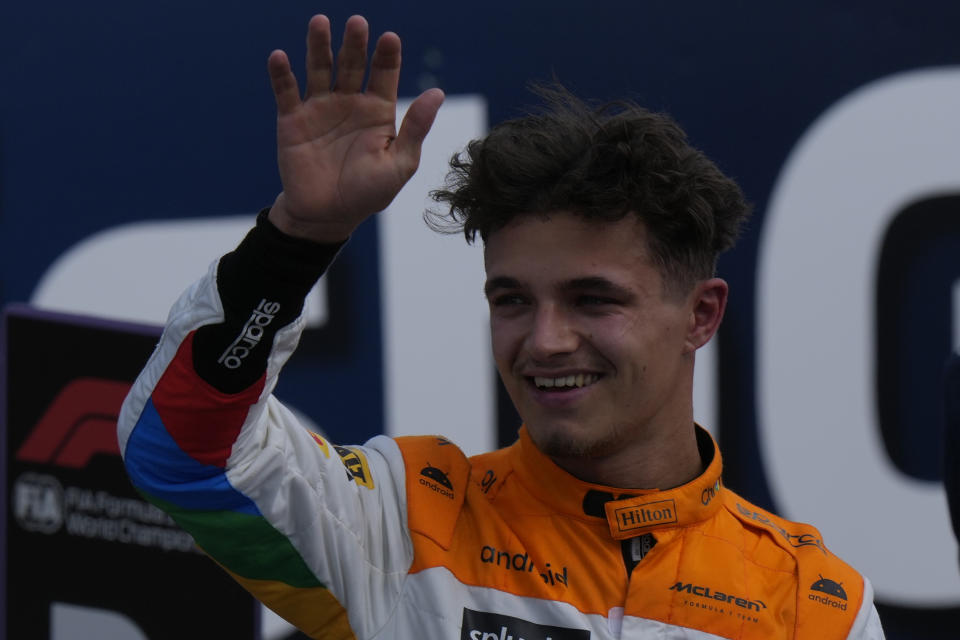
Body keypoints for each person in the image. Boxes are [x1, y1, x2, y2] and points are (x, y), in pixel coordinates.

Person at [117, 14, 885, 639]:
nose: (545, 340)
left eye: (594, 300)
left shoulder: (813, 608)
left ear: (701, 315)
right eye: (512, 299)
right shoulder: (403, 526)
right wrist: (296, 240)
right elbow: (180, 452)